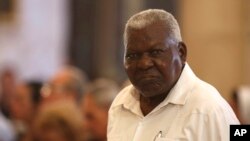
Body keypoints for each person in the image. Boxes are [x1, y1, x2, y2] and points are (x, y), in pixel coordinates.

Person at [107, 9, 240, 141]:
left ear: (181, 53)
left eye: (155, 52)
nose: (144, 64)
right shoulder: (120, 105)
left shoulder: (211, 109)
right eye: (133, 55)